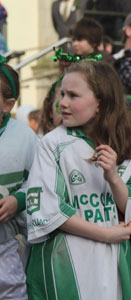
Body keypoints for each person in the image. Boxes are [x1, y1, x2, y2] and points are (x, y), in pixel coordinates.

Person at [25, 61, 131, 300]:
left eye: (73, 95)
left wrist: (113, 178)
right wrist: (104, 234)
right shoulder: (52, 144)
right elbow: (48, 209)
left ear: (101, 103)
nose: (62, 102)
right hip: (66, 261)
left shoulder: (130, 145)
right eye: (62, 94)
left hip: (111, 258)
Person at [0, 58, 37, 300]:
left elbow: (39, 183)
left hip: (4, 246)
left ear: (8, 104)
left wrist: (18, 200)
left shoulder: (25, 137)